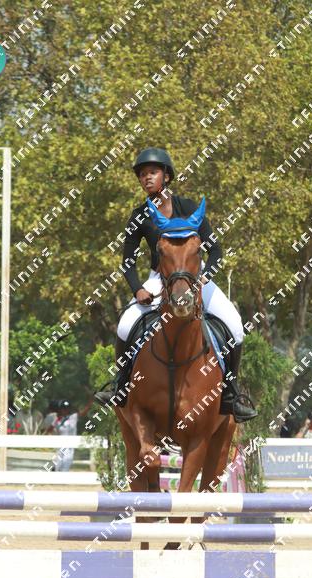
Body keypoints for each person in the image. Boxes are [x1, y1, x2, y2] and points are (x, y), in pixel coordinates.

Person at [94, 147, 257, 423]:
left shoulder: (189, 208)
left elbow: (215, 251)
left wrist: (205, 276)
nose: (147, 178)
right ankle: (120, 385)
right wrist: (138, 290)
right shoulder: (139, 216)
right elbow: (127, 262)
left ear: (166, 176)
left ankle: (231, 393)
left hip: (196, 278)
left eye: (152, 172)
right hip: (159, 279)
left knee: (235, 326)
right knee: (125, 324)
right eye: (142, 174)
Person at [44, 398, 93, 471]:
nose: (65, 410)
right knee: (57, 465)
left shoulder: (73, 417)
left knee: (66, 465)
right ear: (60, 409)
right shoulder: (58, 419)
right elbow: (48, 431)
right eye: (63, 408)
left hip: (69, 447)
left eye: (67, 408)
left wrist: (90, 403)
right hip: (60, 447)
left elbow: (84, 412)